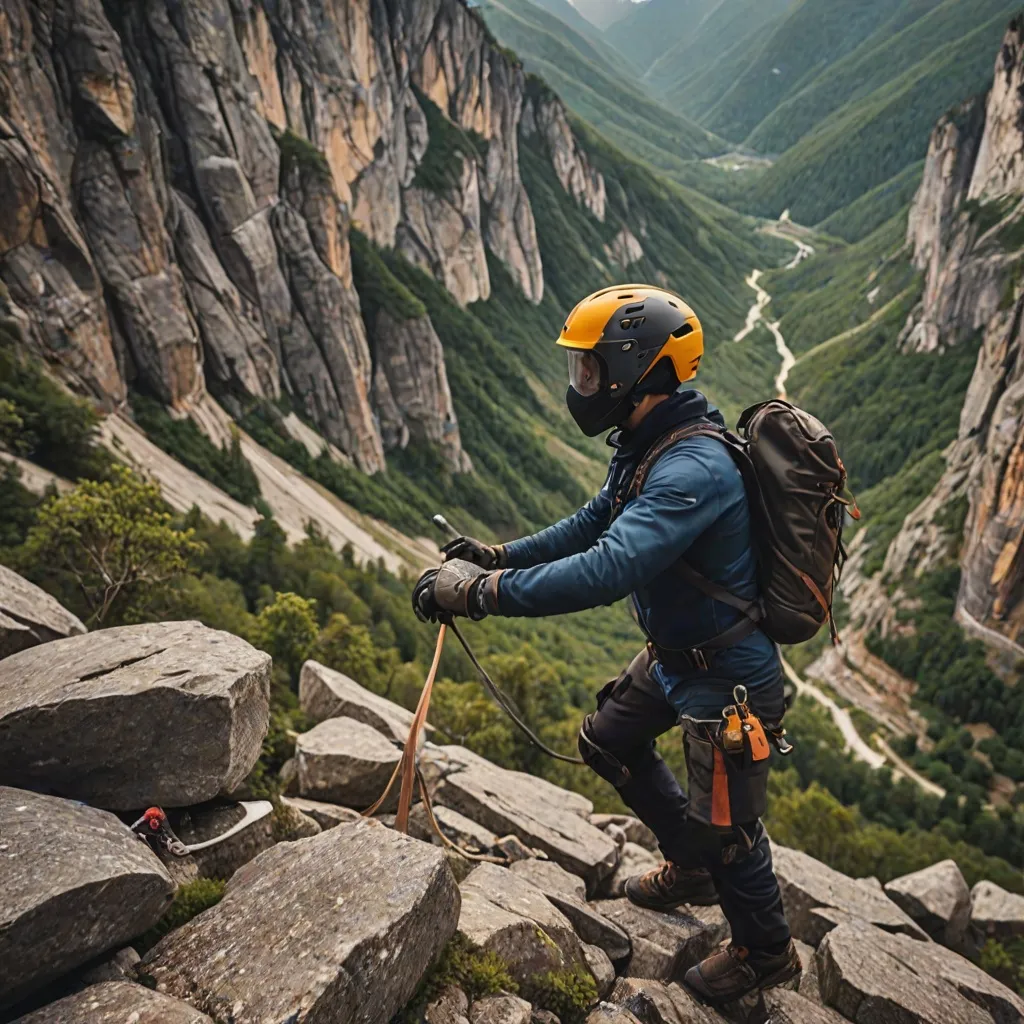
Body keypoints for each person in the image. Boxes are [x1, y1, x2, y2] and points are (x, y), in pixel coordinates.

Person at [412, 284, 800, 1005]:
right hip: (677, 656)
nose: (580, 385)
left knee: (733, 830)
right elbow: (588, 525)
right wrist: (495, 557)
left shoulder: (692, 469)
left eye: (590, 370)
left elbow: (605, 568)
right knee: (607, 740)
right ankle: (689, 864)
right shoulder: (646, 444)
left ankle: (765, 951)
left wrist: (475, 593)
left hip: (727, 676)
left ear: (638, 372)